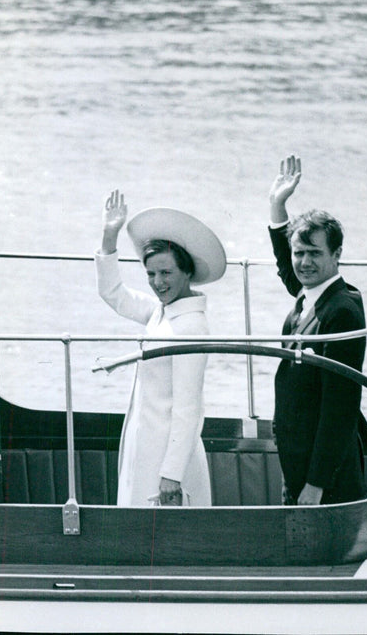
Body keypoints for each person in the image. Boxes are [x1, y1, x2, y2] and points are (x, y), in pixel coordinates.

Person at [96, 189, 226, 507]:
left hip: (168, 461)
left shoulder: (191, 327)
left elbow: (188, 408)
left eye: (166, 273)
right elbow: (115, 295)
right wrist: (109, 237)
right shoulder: (162, 310)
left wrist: (171, 475)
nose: (157, 282)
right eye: (151, 274)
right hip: (146, 448)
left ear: (187, 273)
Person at [267, 155, 367, 506]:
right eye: (299, 253)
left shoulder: (341, 311)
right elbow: (287, 267)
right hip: (298, 453)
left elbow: (340, 406)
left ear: (337, 254)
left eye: (314, 253)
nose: (304, 262)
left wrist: (316, 484)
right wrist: (277, 206)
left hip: (327, 468)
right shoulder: (308, 293)